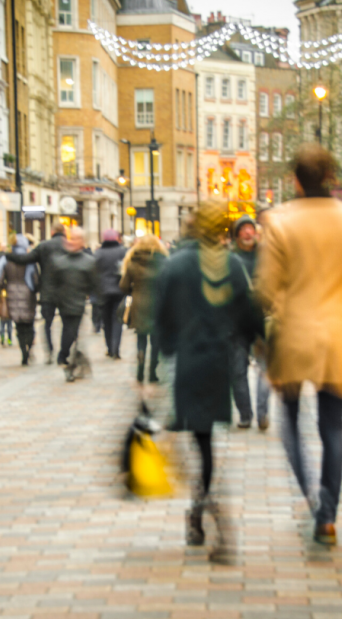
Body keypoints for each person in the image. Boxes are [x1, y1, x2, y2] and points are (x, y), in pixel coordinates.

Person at [257, 145, 342, 545]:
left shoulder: (278, 220)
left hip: (294, 334)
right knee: (331, 429)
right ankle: (328, 514)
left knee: (289, 419)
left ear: (295, 180)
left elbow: (268, 288)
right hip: (340, 336)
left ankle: (308, 492)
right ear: (332, 177)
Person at [156, 199, 263, 563]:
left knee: (195, 443)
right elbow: (248, 313)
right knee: (205, 446)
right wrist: (257, 342)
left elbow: (162, 320)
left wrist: (163, 360)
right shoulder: (230, 264)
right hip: (217, 363)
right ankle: (202, 512)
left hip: (187, 364)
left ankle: (202, 513)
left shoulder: (175, 265)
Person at [229, 215, 270, 430]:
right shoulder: (228, 258)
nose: (247, 233)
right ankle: (245, 414)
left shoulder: (267, 256)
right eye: (243, 229)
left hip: (263, 320)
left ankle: (263, 414)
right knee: (237, 371)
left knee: (265, 369)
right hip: (236, 323)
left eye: (250, 229)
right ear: (236, 235)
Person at [5, 224, 67, 363]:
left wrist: (7, 255)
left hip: (48, 292)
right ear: (64, 232)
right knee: (66, 324)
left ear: (52, 231)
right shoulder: (69, 245)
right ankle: (64, 352)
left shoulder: (43, 246)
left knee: (47, 324)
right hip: (66, 292)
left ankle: (49, 352)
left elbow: (25, 259)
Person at [50, 227, 98, 380]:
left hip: (78, 303)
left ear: (82, 242)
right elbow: (52, 283)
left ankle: (67, 360)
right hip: (63, 304)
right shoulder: (59, 261)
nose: (72, 241)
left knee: (72, 333)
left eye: (76, 238)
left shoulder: (89, 262)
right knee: (69, 332)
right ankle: (66, 359)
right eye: (71, 238)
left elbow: (94, 284)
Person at [120, 233, 168, 383]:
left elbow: (123, 286)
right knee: (156, 341)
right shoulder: (164, 262)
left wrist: (133, 291)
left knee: (141, 337)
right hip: (158, 304)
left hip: (139, 303)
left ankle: (140, 364)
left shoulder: (132, 262)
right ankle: (152, 371)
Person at [0, 234, 39, 365]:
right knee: (29, 324)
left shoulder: (5, 259)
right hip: (28, 295)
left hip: (12, 295)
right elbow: (36, 279)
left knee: (19, 326)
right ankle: (29, 348)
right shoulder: (30, 260)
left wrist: (5, 286)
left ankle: (23, 353)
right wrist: (35, 290)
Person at [94, 229, 128, 359]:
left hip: (103, 292)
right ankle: (116, 348)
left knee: (106, 321)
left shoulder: (98, 253)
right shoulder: (123, 252)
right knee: (117, 320)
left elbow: (94, 272)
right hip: (119, 290)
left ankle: (109, 348)